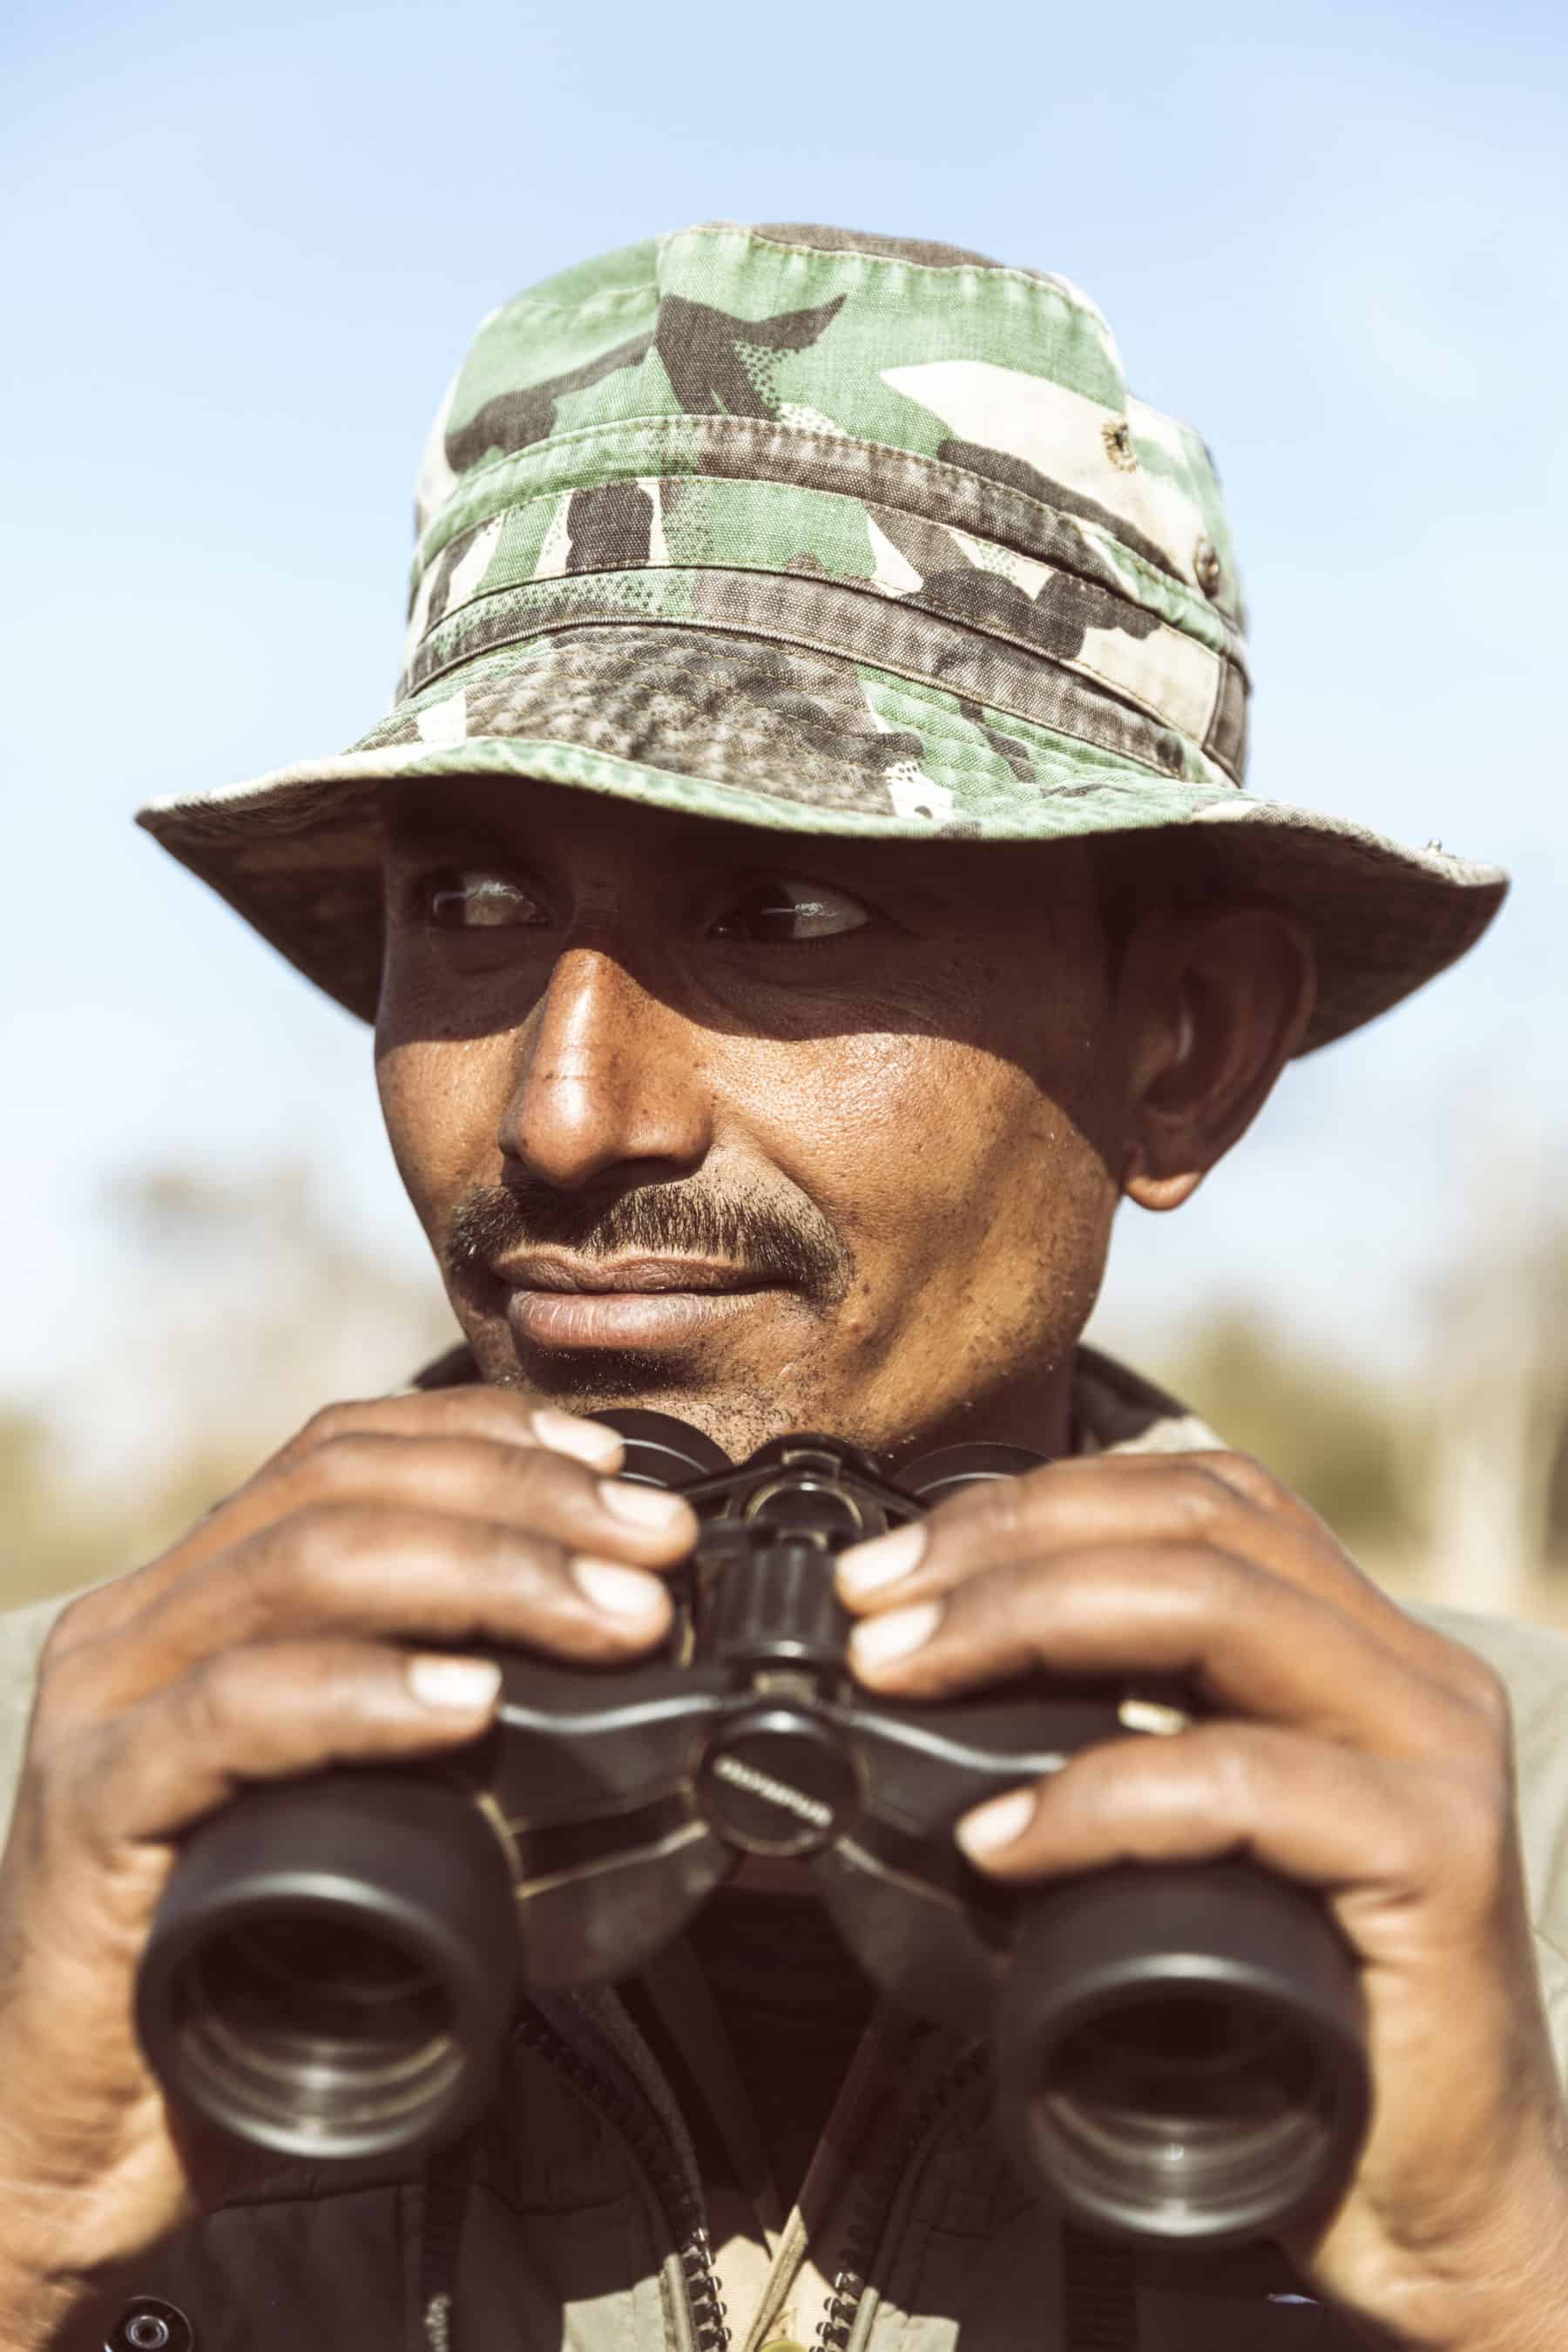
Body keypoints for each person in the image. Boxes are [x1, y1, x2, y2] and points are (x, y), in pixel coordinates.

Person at [1, 220, 1564, 2352]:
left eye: (794, 908)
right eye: (468, 899)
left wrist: (1511, 2277)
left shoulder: (1502, 1846)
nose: (561, 1115)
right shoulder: (71, 1783)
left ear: (1181, 1045)